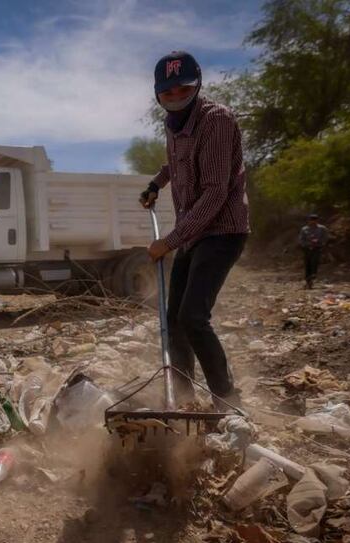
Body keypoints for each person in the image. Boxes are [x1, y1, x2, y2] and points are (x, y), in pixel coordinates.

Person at [139, 51, 250, 410]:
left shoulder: (216, 121)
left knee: (193, 316)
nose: (175, 96)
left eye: (182, 88)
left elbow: (216, 192)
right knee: (173, 320)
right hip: (194, 231)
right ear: (158, 94)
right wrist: (156, 184)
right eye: (167, 92)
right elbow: (173, 162)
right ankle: (183, 398)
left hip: (222, 230)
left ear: (197, 85)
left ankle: (226, 399)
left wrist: (168, 242)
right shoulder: (174, 125)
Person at [298, 214, 328, 288]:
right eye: (311, 220)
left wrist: (320, 242)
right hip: (307, 249)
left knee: (314, 262)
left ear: (317, 220)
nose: (312, 222)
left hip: (317, 248)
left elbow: (325, 237)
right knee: (307, 264)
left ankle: (313, 276)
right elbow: (301, 239)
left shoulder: (322, 228)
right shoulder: (304, 229)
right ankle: (308, 281)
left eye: (314, 220)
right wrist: (306, 244)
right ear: (308, 220)